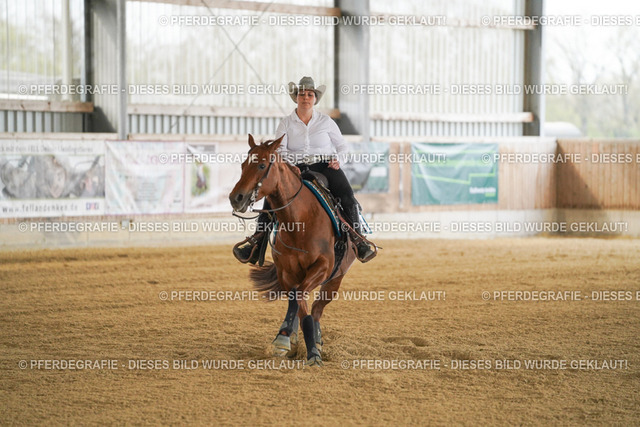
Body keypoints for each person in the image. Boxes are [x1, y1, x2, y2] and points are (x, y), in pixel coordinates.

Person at [233, 76, 376, 264]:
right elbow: (280, 149)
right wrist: (290, 165)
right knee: (272, 197)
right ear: (296, 98)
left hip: (325, 166)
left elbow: (342, 146)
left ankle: (359, 240)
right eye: (302, 94)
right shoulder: (286, 123)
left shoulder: (326, 121)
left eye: (310, 94)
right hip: (295, 168)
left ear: (315, 99)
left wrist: (338, 160)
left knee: (347, 195)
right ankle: (256, 243)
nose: (306, 98)